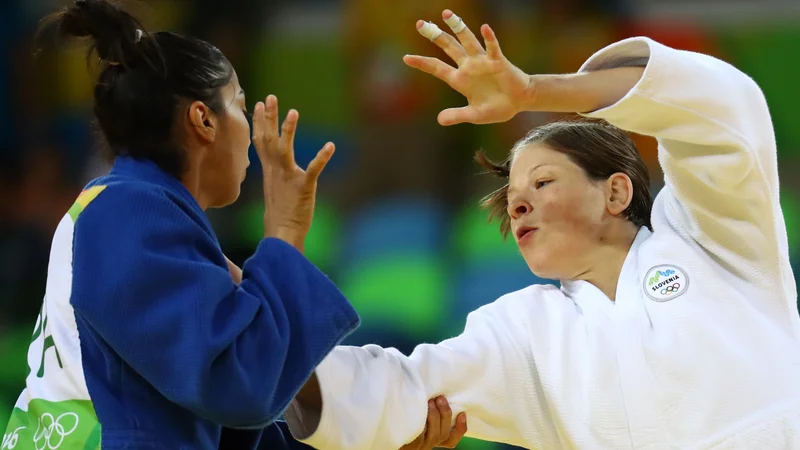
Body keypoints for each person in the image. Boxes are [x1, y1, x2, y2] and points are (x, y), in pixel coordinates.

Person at [283, 9, 800, 450]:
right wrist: (245, 286)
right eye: (512, 202)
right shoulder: (523, 332)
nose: (520, 205)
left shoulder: (712, 239)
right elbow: (389, 384)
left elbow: (720, 106)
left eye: (543, 182)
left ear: (615, 193)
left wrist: (535, 90)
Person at [1, 1, 467, 449]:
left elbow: (232, 427)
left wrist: (379, 444)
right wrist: (283, 233)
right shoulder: (127, 213)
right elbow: (239, 384)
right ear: (203, 120)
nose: (252, 130)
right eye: (241, 106)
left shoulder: (128, 212)